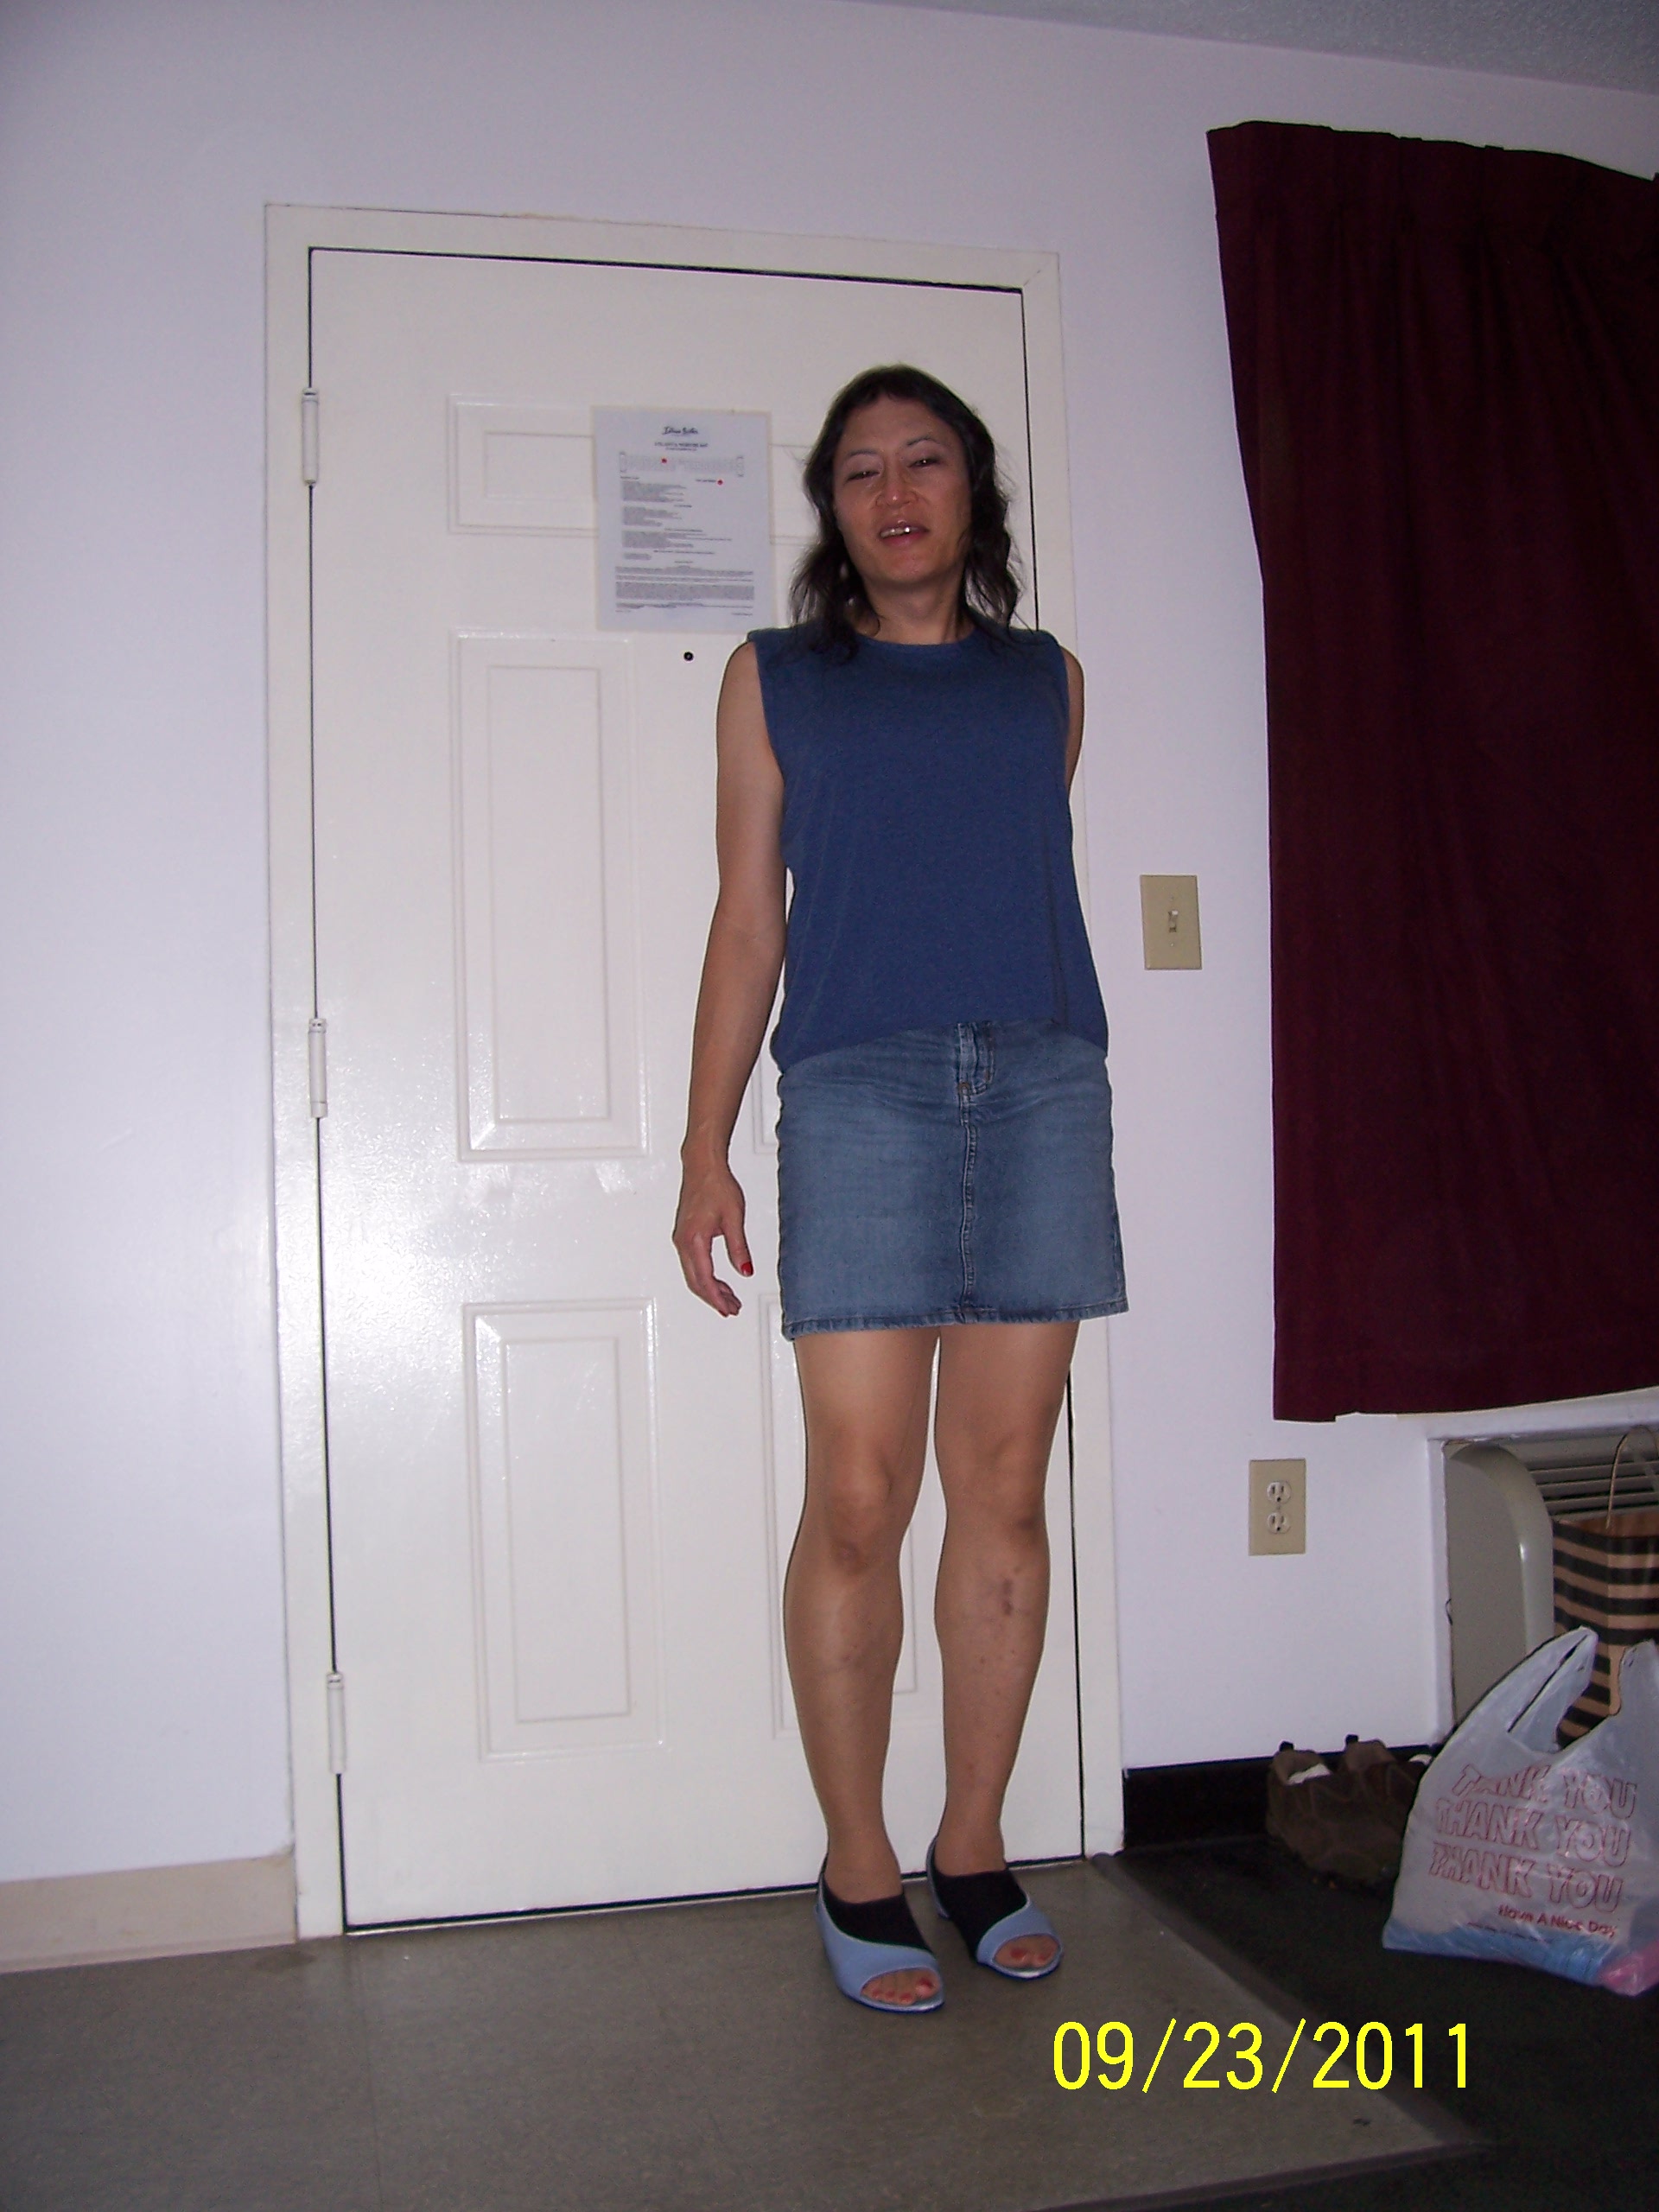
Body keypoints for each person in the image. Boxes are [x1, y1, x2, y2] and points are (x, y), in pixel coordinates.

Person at [672, 364, 1124, 2013]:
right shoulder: (777, 678)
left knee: (1005, 1490)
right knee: (860, 1495)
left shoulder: (1047, 681)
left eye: (923, 459)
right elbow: (750, 921)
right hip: (860, 1092)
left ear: (971, 488)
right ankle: (858, 1860)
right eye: (860, 470)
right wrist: (704, 1146)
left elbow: (999, 871)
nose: (894, 490)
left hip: (1042, 1082)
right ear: (834, 509)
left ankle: (975, 1840)